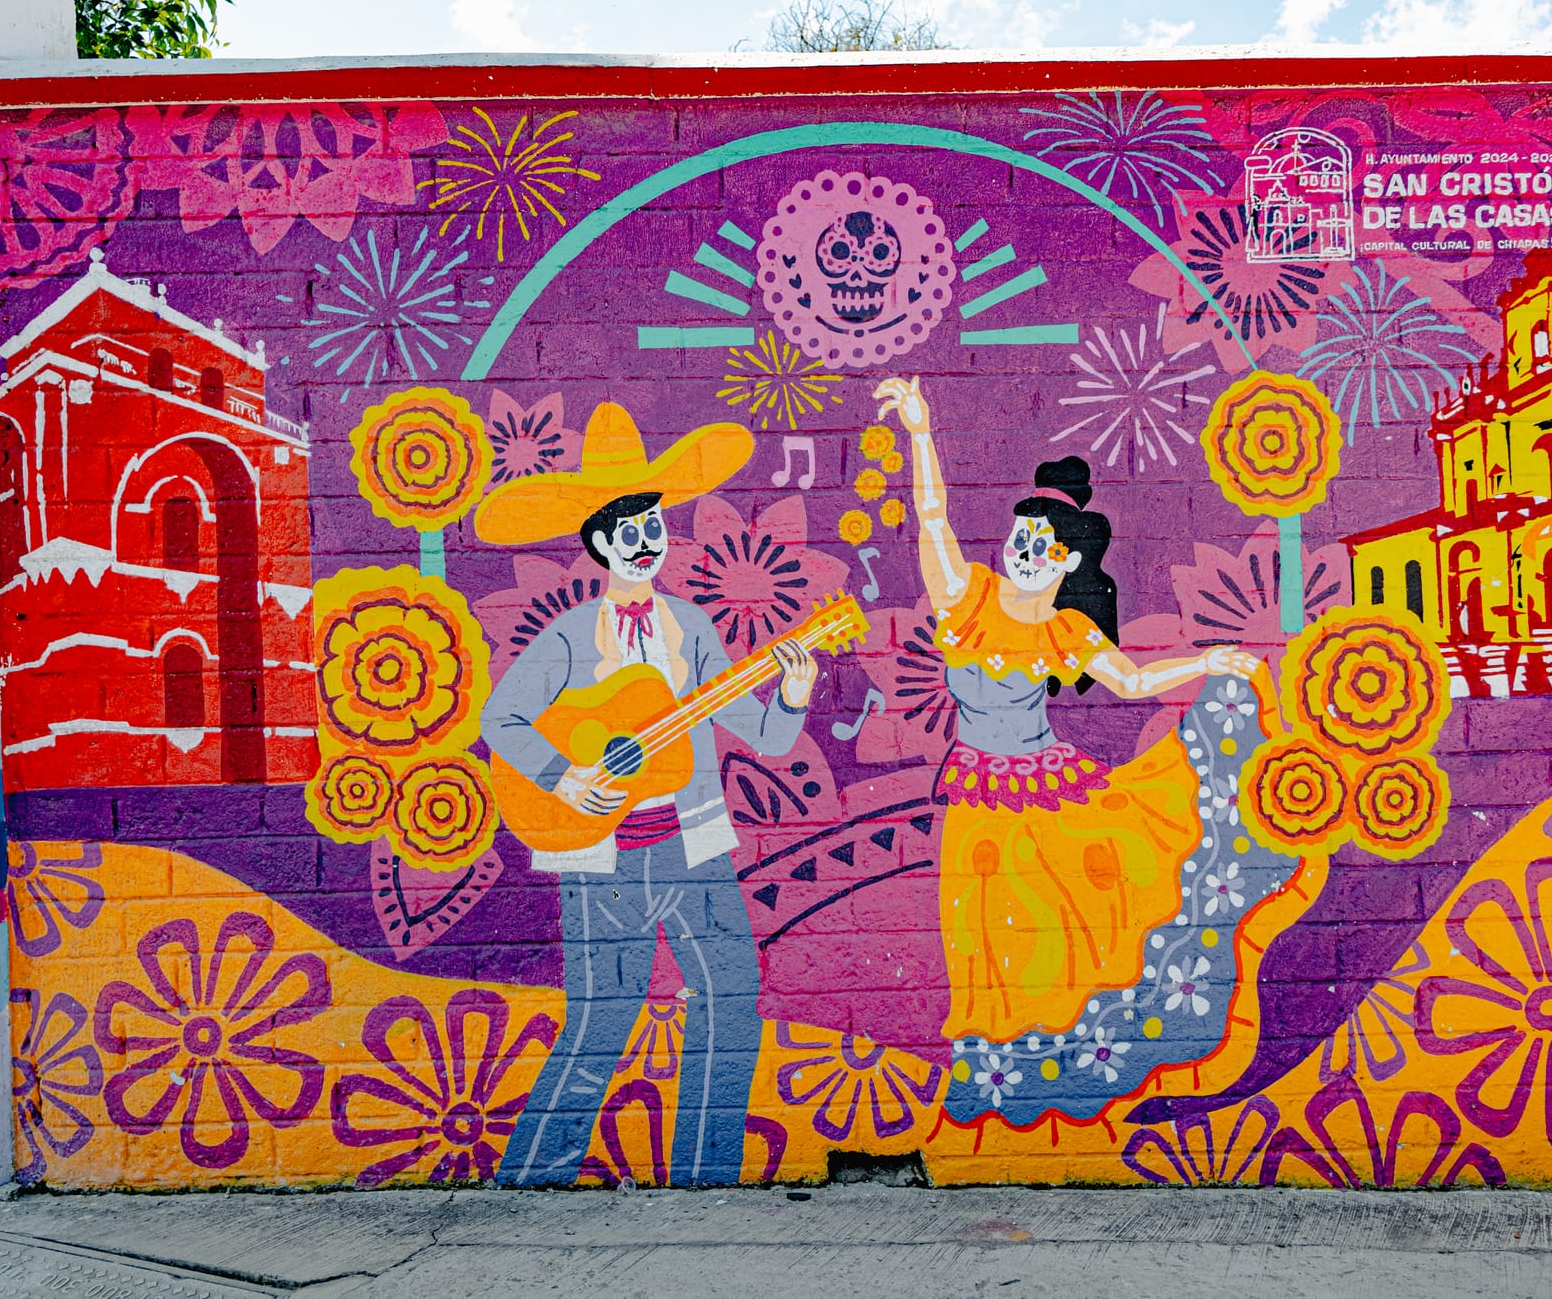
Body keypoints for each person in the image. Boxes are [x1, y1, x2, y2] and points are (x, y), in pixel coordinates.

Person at [473, 401, 817, 1188]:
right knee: (601, 1023)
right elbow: (502, 716)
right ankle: (531, 1178)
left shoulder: (692, 629)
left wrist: (792, 694)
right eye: (628, 528)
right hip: (601, 861)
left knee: (731, 998)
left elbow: (761, 736)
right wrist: (571, 776)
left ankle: (704, 1174)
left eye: (654, 521)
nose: (645, 540)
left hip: (691, 849)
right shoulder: (566, 638)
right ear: (597, 541)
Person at [872, 376, 1259, 1044]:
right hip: (979, 794)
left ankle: (1071, 1040)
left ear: (1069, 558)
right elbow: (933, 520)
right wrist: (920, 432)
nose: (1022, 554)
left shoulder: (1068, 631)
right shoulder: (968, 599)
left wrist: (1206, 662)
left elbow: (1133, 682)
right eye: (1019, 539)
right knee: (983, 927)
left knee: (1073, 917)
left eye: (1040, 546)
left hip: (1047, 790)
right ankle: (998, 1055)